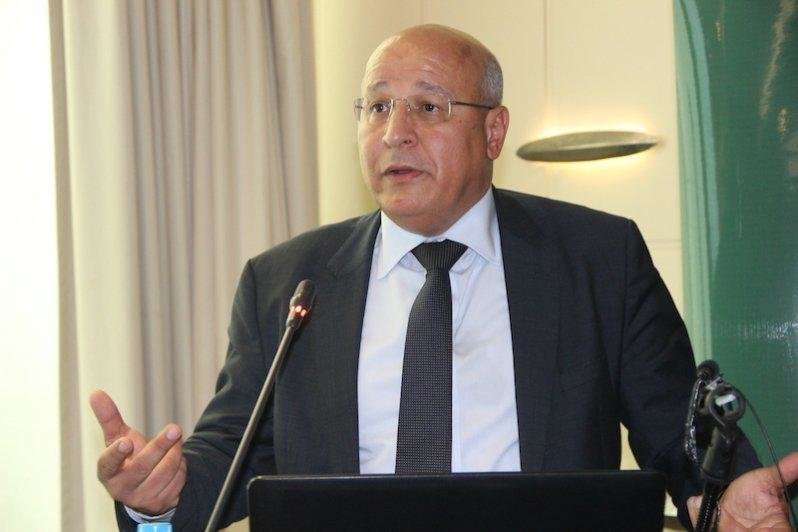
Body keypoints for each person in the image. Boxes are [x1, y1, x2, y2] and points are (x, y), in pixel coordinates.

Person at [91, 24, 798, 531]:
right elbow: (229, 452)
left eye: (427, 107)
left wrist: (726, 495)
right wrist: (155, 497)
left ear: (493, 132)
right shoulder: (286, 281)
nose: (394, 131)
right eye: (376, 106)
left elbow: (679, 432)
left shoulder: (597, 259)